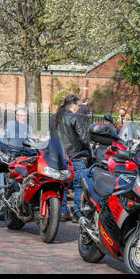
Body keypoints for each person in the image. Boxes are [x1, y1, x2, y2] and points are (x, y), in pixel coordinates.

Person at [51, 94, 91, 222]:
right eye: (78, 106)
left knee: (62, 185)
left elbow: (51, 137)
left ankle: (62, 212)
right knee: (79, 185)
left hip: (59, 156)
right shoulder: (74, 118)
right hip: (76, 155)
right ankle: (77, 212)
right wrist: (89, 152)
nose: (78, 108)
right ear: (73, 104)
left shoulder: (54, 118)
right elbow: (84, 138)